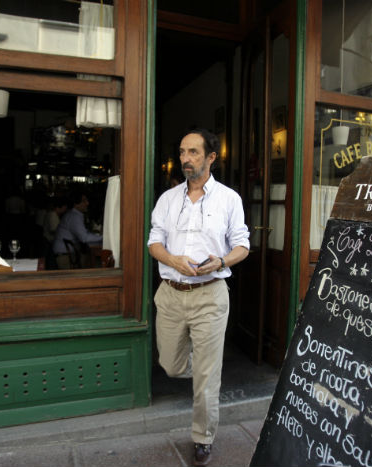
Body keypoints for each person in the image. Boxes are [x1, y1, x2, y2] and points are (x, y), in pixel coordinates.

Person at [147, 128, 249, 466]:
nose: (185, 159)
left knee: (207, 378)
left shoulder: (228, 199)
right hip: (172, 295)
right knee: (171, 366)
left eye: (192, 152)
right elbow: (154, 242)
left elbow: (242, 245)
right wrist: (173, 259)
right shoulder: (168, 198)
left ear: (211, 157)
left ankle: (203, 436)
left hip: (210, 296)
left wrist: (220, 261)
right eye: (182, 153)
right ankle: (206, 373)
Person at [52, 191, 103, 269]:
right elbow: (84, 238)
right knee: (95, 264)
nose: (87, 203)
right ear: (76, 204)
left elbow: (84, 234)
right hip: (65, 257)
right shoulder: (74, 216)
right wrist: (104, 237)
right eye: (84, 201)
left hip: (66, 254)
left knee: (89, 259)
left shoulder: (73, 214)